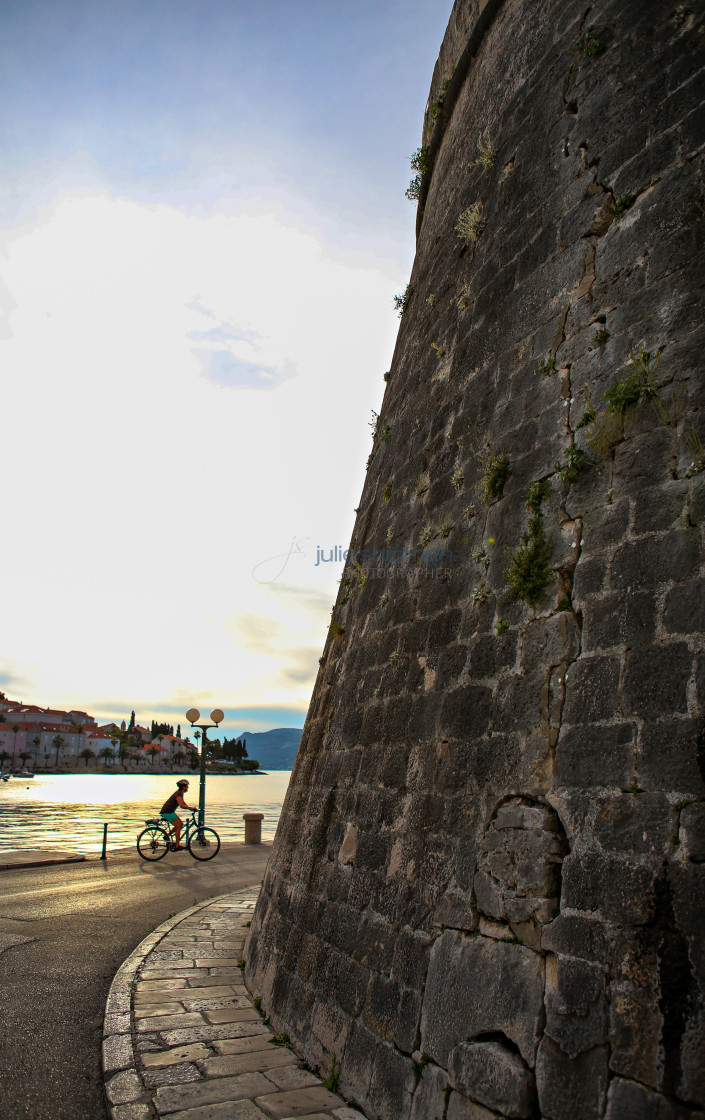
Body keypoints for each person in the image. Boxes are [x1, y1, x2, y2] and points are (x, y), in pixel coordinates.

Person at [160, 779, 197, 850]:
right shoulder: (178, 794)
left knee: (181, 824)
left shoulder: (180, 793)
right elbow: (181, 805)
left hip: (170, 811)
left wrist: (190, 808)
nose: (187, 788)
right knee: (178, 826)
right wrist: (190, 808)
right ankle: (177, 845)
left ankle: (167, 836)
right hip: (167, 812)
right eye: (186, 786)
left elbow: (183, 803)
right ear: (183, 787)